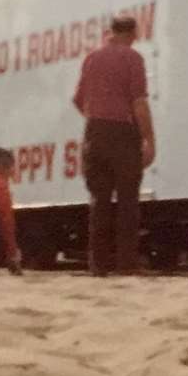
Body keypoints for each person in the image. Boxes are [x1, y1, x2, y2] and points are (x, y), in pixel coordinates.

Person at [72, 14, 154, 276]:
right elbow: (139, 103)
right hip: (123, 132)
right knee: (128, 201)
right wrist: (149, 139)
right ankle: (126, 264)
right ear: (132, 33)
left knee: (99, 201)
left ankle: (99, 265)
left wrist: (97, 116)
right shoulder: (133, 59)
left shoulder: (92, 58)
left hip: (95, 131)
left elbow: (78, 99)